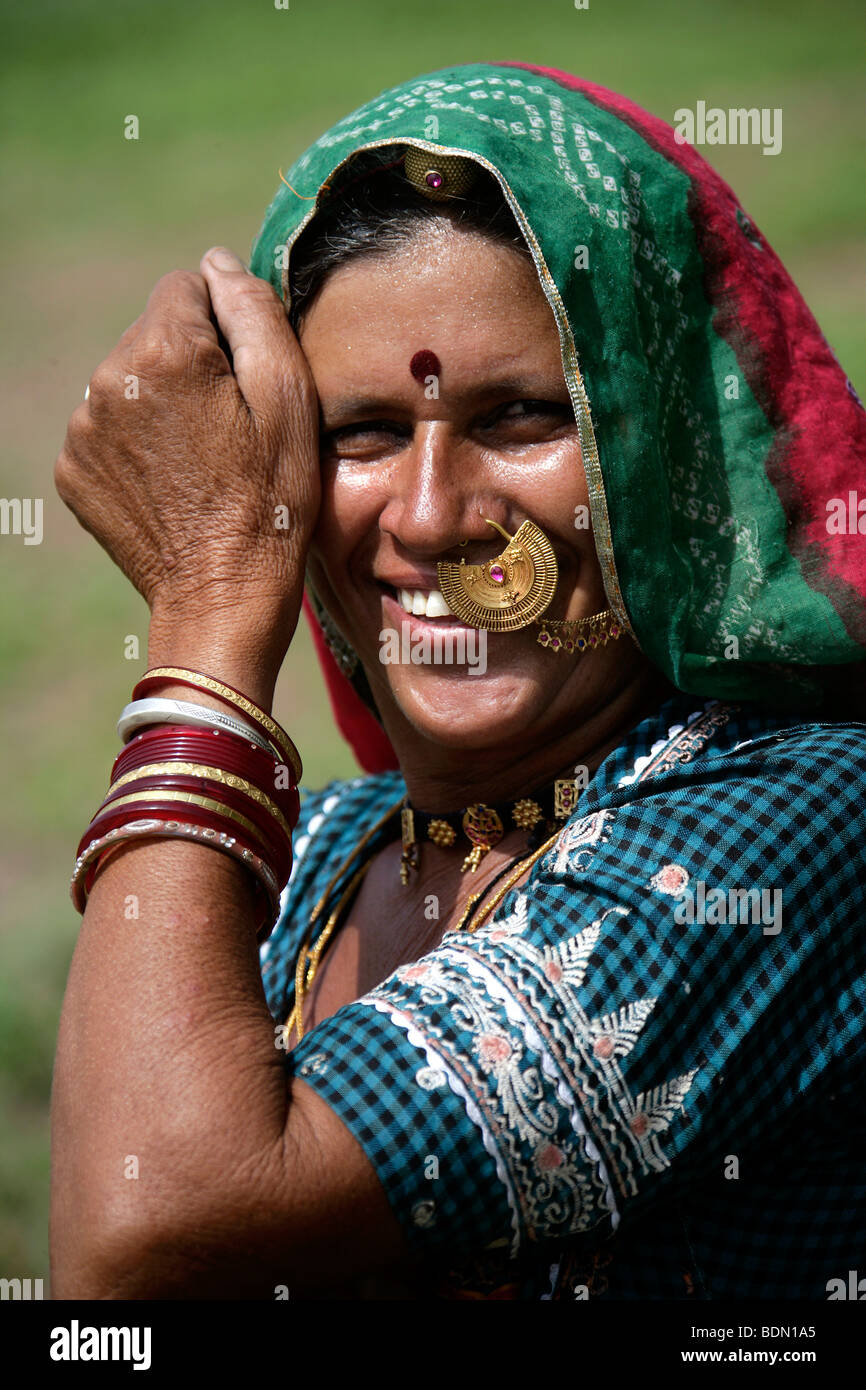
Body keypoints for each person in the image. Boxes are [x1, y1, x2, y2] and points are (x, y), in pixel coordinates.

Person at [51, 62, 866, 1300]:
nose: (432, 519)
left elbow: (143, 1236)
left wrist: (210, 610)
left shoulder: (798, 824)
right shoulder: (304, 863)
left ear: (661, 449)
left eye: (525, 418)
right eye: (360, 433)